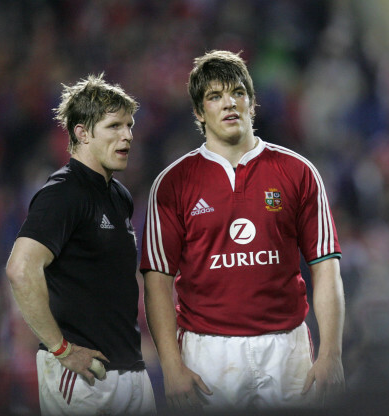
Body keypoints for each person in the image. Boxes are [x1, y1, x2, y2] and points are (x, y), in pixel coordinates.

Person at [141, 50, 345, 411]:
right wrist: (171, 367)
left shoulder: (298, 172)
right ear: (199, 113)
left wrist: (331, 354)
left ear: (253, 104)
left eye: (238, 93)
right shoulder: (172, 183)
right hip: (207, 354)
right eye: (215, 97)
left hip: (286, 349)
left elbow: (326, 267)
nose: (229, 103)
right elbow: (158, 280)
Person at [5, 74, 156, 416]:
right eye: (115, 126)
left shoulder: (119, 196)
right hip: (85, 379)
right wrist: (62, 350)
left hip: (130, 372)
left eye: (130, 125)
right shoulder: (62, 193)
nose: (128, 136)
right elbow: (20, 269)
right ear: (81, 132)